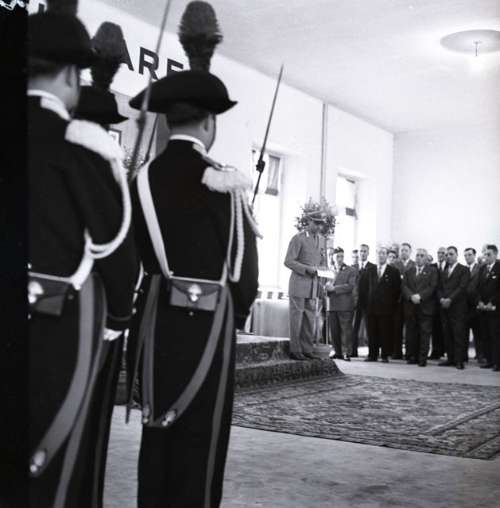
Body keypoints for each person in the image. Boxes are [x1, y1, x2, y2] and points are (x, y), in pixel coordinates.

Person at [125, 4, 260, 503]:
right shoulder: (224, 182)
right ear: (209, 123)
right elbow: (245, 275)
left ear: (167, 121)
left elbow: (135, 255)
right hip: (210, 327)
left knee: (156, 430)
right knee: (201, 439)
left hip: (154, 323)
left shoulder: (140, 180)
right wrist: (236, 313)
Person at [27, 7, 138, 508]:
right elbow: (116, 249)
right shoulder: (81, 152)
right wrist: (117, 320)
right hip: (55, 328)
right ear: (72, 76)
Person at [285, 212, 325, 361]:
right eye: (316, 223)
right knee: (296, 319)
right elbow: (288, 261)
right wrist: (306, 269)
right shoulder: (298, 238)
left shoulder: (322, 240)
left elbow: (322, 262)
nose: (319, 227)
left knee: (310, 319)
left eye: (321, 224)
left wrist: (324, 274)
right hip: (298, 284)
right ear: (309, 221)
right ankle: (295, 350)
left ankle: (307, 349)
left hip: (314, 286)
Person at [402, 249, 438, 366]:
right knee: (412, 333)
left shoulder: (432, 271)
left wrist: (420, 296)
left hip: (425, 307)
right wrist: (411, 296)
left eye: (422, 256)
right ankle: (413, 356)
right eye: (417, 255)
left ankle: (422, 358)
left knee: (424, 334)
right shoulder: (409, 271)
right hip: (411, 306)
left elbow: (432, 287)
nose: (419, 258)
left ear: (426, 258)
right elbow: (404, 286)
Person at [365, 247, 401, 362]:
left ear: (386, 256)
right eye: (379, 253)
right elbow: (364, 289)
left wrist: (392, 305)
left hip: (386, 308)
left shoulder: (393, 271)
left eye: (383, 253)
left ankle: (385, 355)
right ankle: (372, 355)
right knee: (372, 332)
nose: (381, 255)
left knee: (385, 332)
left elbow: (397, 290)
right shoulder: (370, 270)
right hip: (371, 307)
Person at [437, 246, 470, 369]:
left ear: (457, 255)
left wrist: (450, 299)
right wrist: (441, 299)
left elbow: (462, 287)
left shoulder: (464, 269)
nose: (448, 257)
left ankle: (459, 360)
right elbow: (439, 288)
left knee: (458, 334)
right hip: (445, 307)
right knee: (447, 333)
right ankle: (450, 358)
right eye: (447, 255)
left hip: (458, 307)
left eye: (451, 254)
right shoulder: (443, 271)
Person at [326, 247, 356, 361]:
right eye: (337, 256)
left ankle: (346, 352)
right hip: (331, 304)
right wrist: (325, 288)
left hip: (345, 305)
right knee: (334, 331)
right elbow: (324, 284)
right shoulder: (328, 270)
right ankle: (337, 351)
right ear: (332, 257)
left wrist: (334, 288)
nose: (340, 259)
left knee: (345, 330)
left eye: (341, 256)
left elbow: (350, 286)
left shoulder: (351, 270)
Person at [477, 245, 500, 371]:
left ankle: (498, 362)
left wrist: (492, 302)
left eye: (489, 254)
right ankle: (489, 360)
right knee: (485, 335)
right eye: (485, 254)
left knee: (495, 336)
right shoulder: (482, 269)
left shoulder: (499, 267)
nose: (486, 257)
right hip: (483, 308)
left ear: (496, 255)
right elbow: (478, 287)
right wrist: (480, 301)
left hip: (496, 309)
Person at [392, 242, 415, 359]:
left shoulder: (414, 265)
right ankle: (397, 352)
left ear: (410, 252)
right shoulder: (393, 265)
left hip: (409, 300)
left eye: (406, 250)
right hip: (397, 300)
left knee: (410, 327)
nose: (404, 252)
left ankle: (409, 353)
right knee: (397, 326)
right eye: (402, 250)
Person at [352, 243, 375, 357]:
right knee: (354, 327)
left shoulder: (373, 267)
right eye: (361, 251)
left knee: (369, 327)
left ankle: (372, 353)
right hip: (355, 302)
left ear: (368, 253)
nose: (362, 253)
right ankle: (353, 351)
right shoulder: (353, 267)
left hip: (367, 302)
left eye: (365, 251)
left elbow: (373, 286)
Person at [464, 247, 482, 362]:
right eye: (465, 255)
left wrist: (479, 301)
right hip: (464, 306)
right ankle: (463, 356)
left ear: (474, 255)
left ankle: (480, 355)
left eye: (469, 255)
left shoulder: (480, 268)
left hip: (476, 304)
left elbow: (482, 285)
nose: (467, 257)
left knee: (478, 332)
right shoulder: (463, 269)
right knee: (463, 332)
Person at [430, 246, 447, 359]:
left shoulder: (449, 266)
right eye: (439, 253)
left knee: (446, 327)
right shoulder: (432, 267)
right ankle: (435, 351)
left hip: (446, 301)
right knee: (435, 327)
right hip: (434, 302)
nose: (440, 255)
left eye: (442, 253)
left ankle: (446, 350)